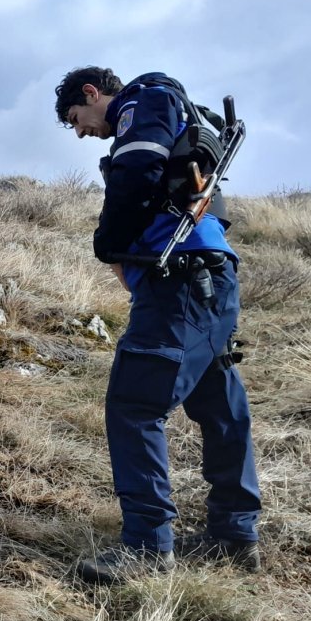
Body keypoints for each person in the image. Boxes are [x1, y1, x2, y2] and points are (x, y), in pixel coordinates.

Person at [54, 66, 261, 584]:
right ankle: (234, 535)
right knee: (219, 404)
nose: (82, 132)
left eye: (77, 119)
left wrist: (108, 246)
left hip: (180, 282)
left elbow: (137, 174)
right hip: (213, 274)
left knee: (134, 405)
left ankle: (147, 546)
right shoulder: (177, 111)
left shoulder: (141, 105)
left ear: (91, 93)